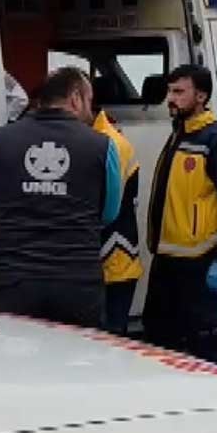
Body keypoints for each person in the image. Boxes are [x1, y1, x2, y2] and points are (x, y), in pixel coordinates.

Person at [0, 67, 121, 328]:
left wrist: (3, 209)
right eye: (89, 101)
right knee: (79, 364)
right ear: (75, 98)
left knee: (19, 364)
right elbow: (109, 212)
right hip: (77, 284)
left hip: (14, 282)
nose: (92, 110)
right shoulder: (104, 146)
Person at [142, 64, 217, 365]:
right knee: (160, 341)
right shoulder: (179, 134)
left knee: (208, 343)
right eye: (169, 92)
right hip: (167, 263)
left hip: (200, 266)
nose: (170, 99)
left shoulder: (215, 141)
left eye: (178, 92)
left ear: (200, 96)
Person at [90, 103, 142, 336]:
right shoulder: (96, 138)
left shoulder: (110, 144)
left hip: (114, 261)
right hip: (106, 260)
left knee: (109, 342)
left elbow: (102, 206)